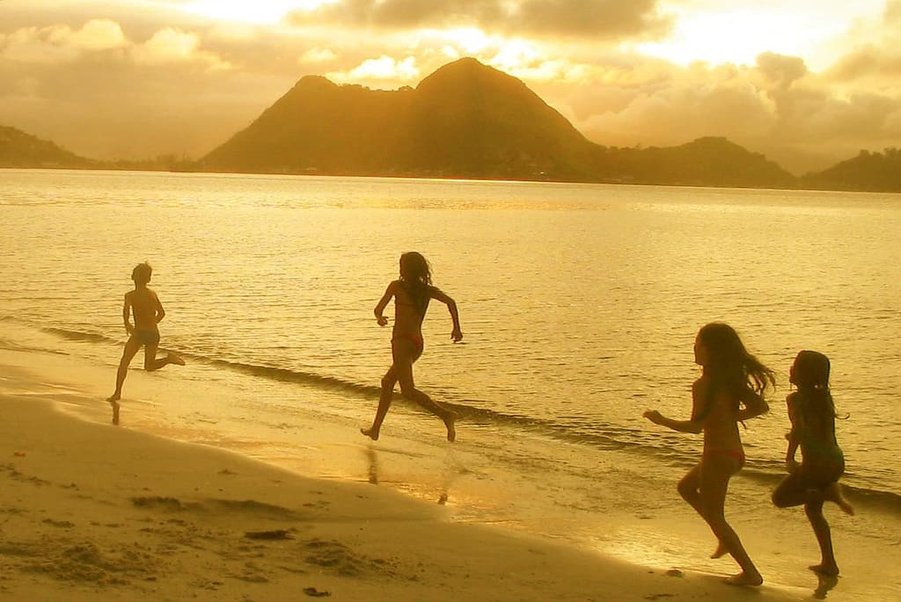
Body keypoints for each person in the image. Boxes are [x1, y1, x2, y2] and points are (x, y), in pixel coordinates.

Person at [643, 322, 775, 586]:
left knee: (716, 516)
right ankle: (724, 538)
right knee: (686, 487)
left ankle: (751, 573)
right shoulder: (729, 381)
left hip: (718, 454)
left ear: (712, 350)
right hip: (733, 453)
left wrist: (661, 420)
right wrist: (732, 417)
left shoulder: (703, 384)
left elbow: (694, 428)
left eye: (699, 343)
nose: (694, 347)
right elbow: (761, 406)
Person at [361, 252, 462, 442]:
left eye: (402, 265)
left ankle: (446, 415)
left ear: (408, 269)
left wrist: (380, 318)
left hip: (401, 341)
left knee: (407, 390)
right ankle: (375, 429)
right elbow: (451, 302)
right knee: (388, 382)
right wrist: (456, 327)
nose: (400, 268)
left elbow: (378, 309)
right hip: (416, 343)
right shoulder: (426, 290)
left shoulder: (397, 286)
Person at [771, 350, 853, 577]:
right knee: (813, 510)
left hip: (816, 461)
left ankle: (829, 494)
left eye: (795, 366)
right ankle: (829, 563)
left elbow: (799, 431)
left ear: (803, 374)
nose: (790, 369)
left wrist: (789, 457)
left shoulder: (795, 399)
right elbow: (818, 430)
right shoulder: (824, 399)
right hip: (835, 459)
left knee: (780, 498)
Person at [107, 262, 184, 424]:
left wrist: (127, 325)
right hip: (153, 333)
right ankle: (169, 359)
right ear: (147, 279)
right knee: (149, 366)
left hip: (139, 333)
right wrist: (152, 323)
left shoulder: (130, 295)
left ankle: (117, 392)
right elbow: (162, 313)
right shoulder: (152, 294)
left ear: (134, 277)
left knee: (124, 362)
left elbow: (126, 311)